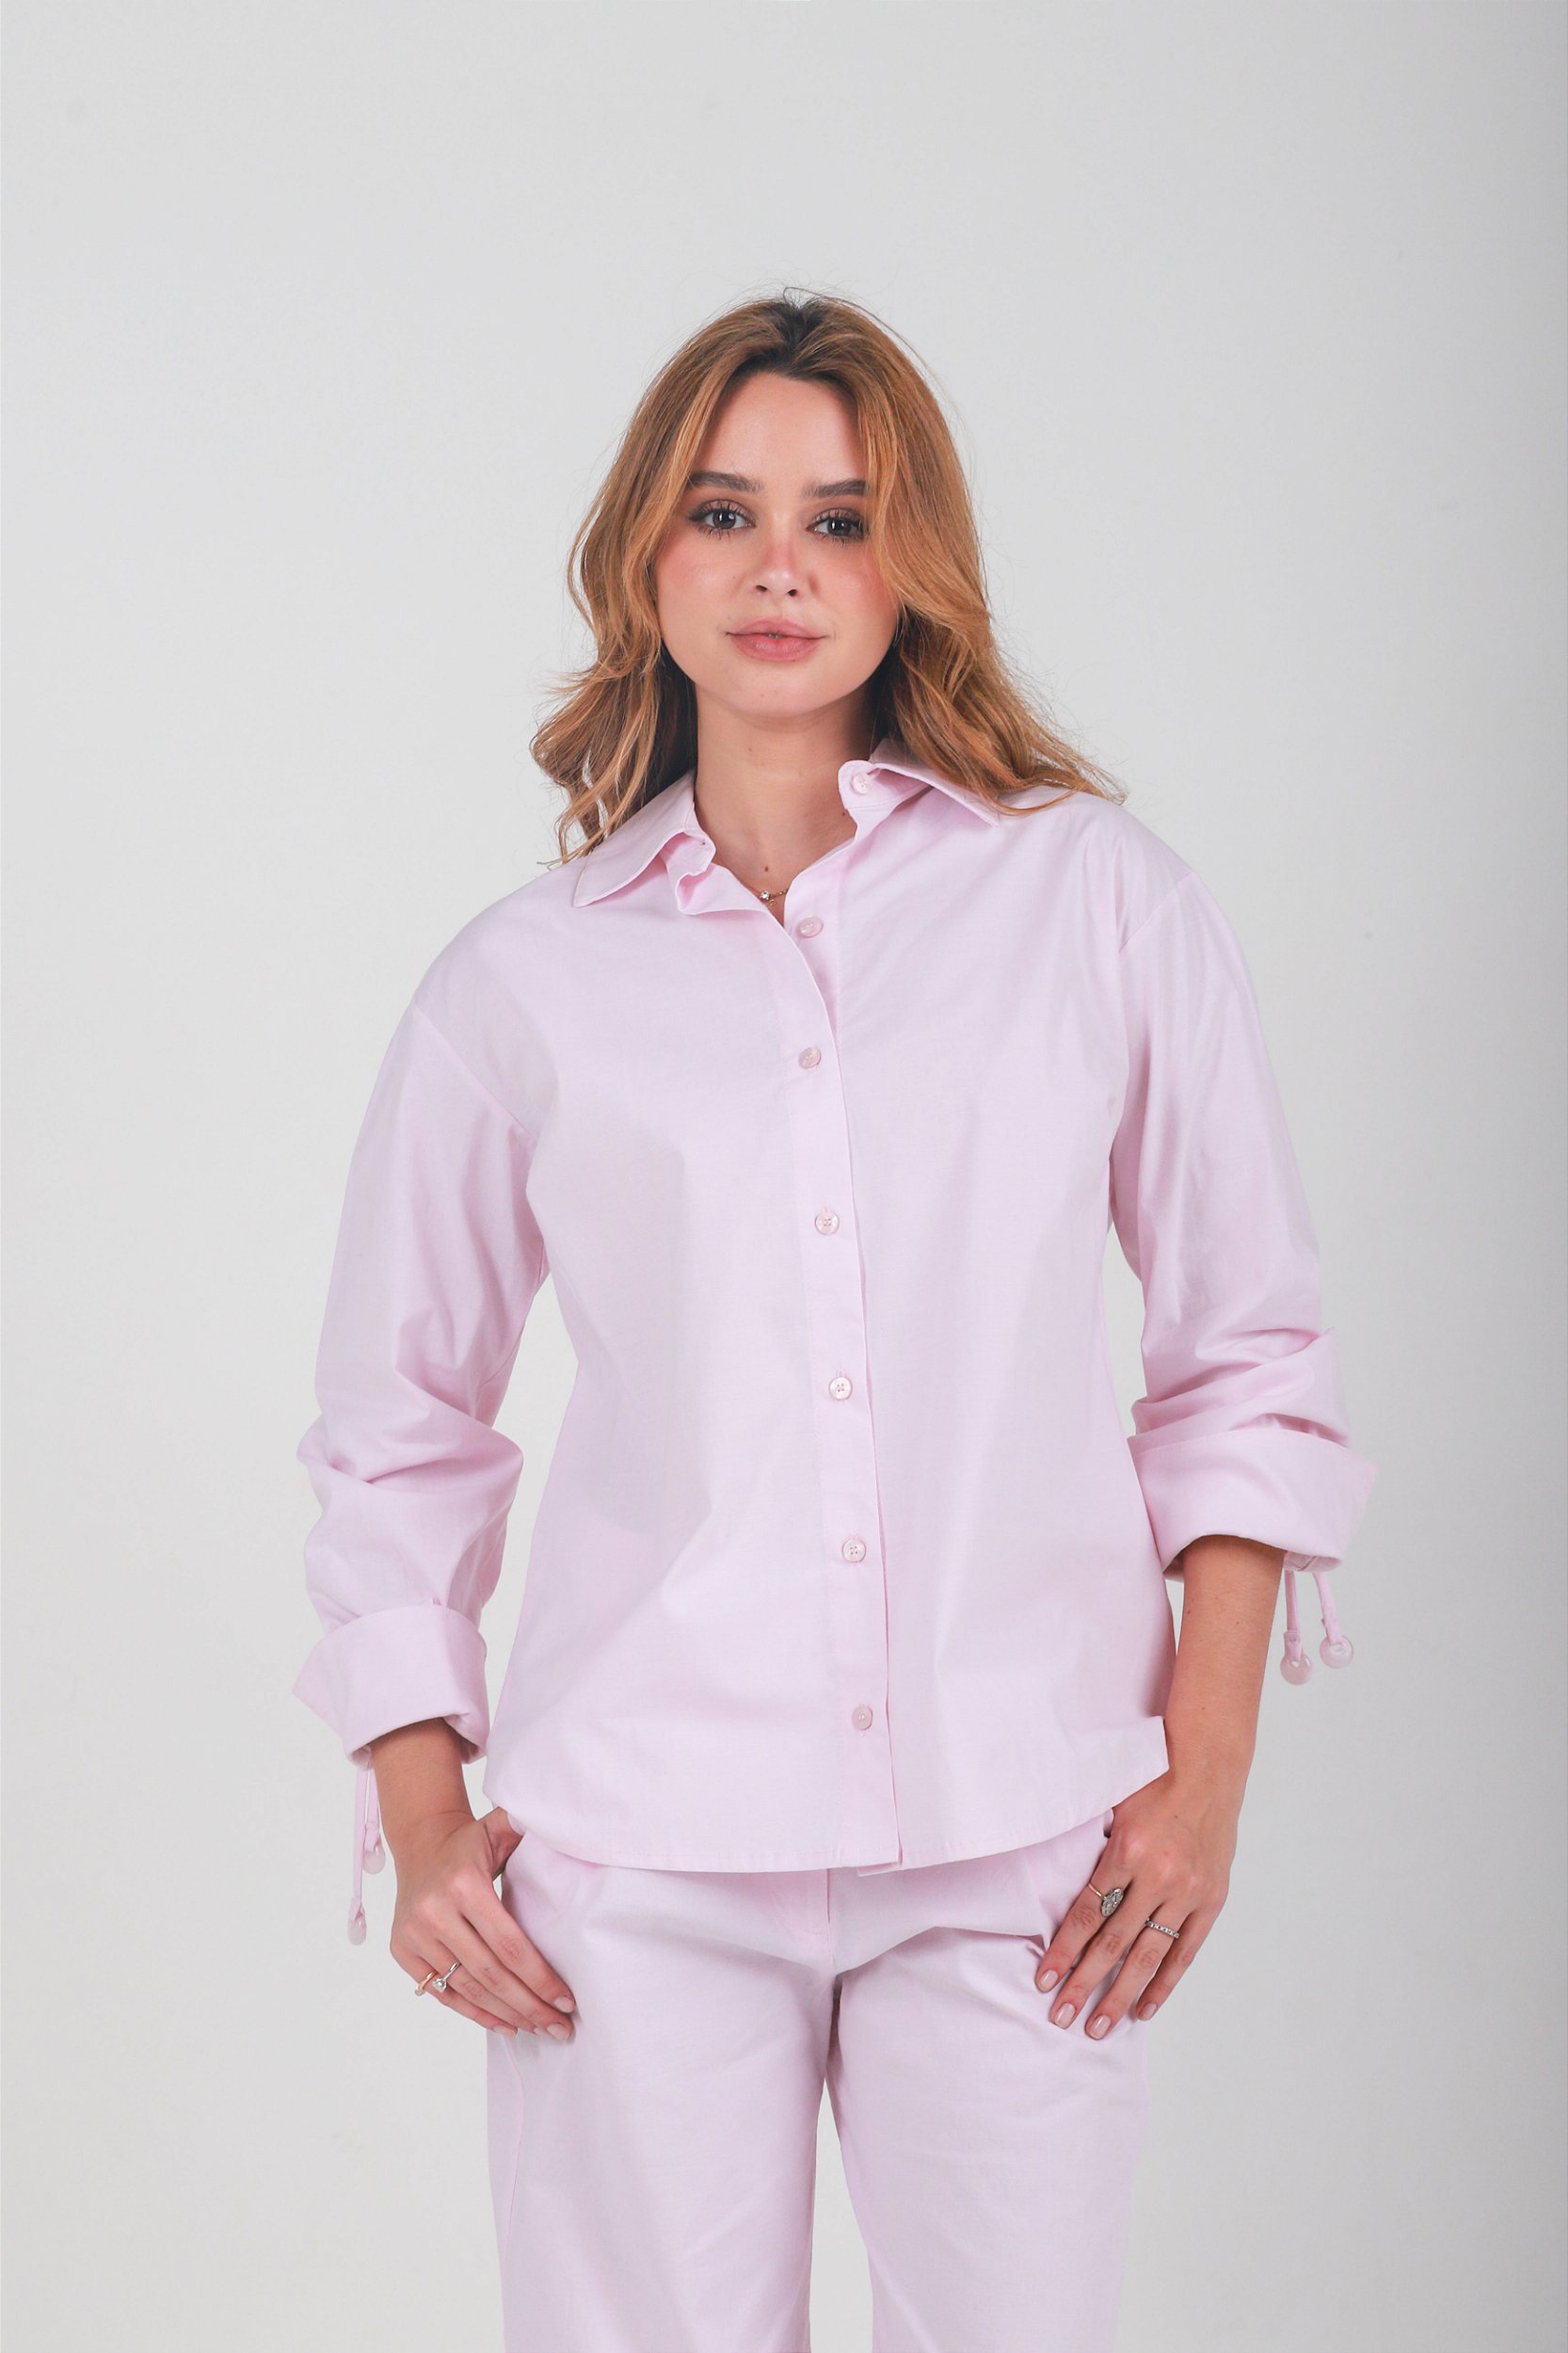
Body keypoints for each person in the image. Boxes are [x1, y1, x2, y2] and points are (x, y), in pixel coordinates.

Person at [292, 290, 1376, 2352]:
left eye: (842, 517)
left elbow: (1244, 1355)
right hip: (638, 1852)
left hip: (1022, 1837)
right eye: (722, 512)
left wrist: (1203, 1774)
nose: (779, 567)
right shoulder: (522, 981)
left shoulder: (1096, 903)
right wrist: (425, 1822)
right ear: (646, 555)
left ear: (916, 563)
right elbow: (396, 1422)